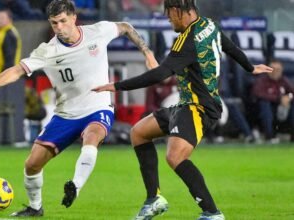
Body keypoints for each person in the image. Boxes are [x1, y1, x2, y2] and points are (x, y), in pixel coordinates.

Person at [0, 0, 157, 217]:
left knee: (92, 137)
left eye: (63, 21)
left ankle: (76, 185)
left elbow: (126, 27)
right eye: (54, 23)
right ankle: (35, 208)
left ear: (74, 18)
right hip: (65, 114)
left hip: (97, 107)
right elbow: (17, 70)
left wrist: (147, 54)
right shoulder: (48, 51)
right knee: (32, 164)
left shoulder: (97, 32)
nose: (60, 28)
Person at [92, 0, 273, 219]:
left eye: (169, 15)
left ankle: (212, 213)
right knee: (138, 133)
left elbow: (160, 74)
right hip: (186, 104)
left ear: (178, 11)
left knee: (175, 156)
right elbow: (230, 47)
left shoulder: (186, 41)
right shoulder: (209, 25)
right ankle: (153, 199)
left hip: (200, 107)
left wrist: (117, 86)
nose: (168, 20)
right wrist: (250, 67)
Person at [252, 59, 294, 143]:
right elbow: (258, 94)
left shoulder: (284, 81)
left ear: (281, 70)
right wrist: (279, 99)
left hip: (282, 109)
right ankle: (269, 136)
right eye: (272, 69)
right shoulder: (262, 80)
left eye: (277, 70)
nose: (275, 72)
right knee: (265, 104)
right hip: (265, 109)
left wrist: (289, 97)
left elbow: (291, 92)